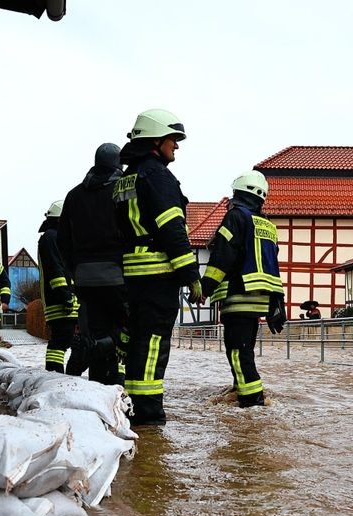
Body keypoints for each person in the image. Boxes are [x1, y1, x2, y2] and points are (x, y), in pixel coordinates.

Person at [114, 109, 202, 426]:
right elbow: (172, 231)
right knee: (153, 343)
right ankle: (149, 415)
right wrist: (192, 276)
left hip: (130, 273)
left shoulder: (125, 178)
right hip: (157, 273)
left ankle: (130, 407)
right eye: (172, 139)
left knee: (137, 341)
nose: (176, 146)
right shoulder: (158, 176)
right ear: (155, 141)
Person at [199, 170, 286, 407]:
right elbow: (273, 265)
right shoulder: (268, 225)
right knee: (245, 348)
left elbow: (223, 255)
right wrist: (278, 302)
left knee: (237, 351)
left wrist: (205, 287)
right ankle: (242, 389)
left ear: (239, 193)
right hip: (260, 299)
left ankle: (251, 401)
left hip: (238, 295)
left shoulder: (235, 217)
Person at [58, 142, 127, 385]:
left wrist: (74, 270)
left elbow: (63, 239)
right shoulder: (122, 191)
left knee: (96, 328)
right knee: (127, 332)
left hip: (85, 279)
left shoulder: (74, 195)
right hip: (118, 276)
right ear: (118, 164)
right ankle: (118, 387)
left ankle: (97, 384)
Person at [37, 200, 81, 372]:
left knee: (69, 341)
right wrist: (64, 295)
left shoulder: (57, 237)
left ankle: (65, 378)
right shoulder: (51, 237)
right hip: (60, 302)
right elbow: (55, 269)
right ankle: (55, 378)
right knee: (60, 342)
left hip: (65, 300)